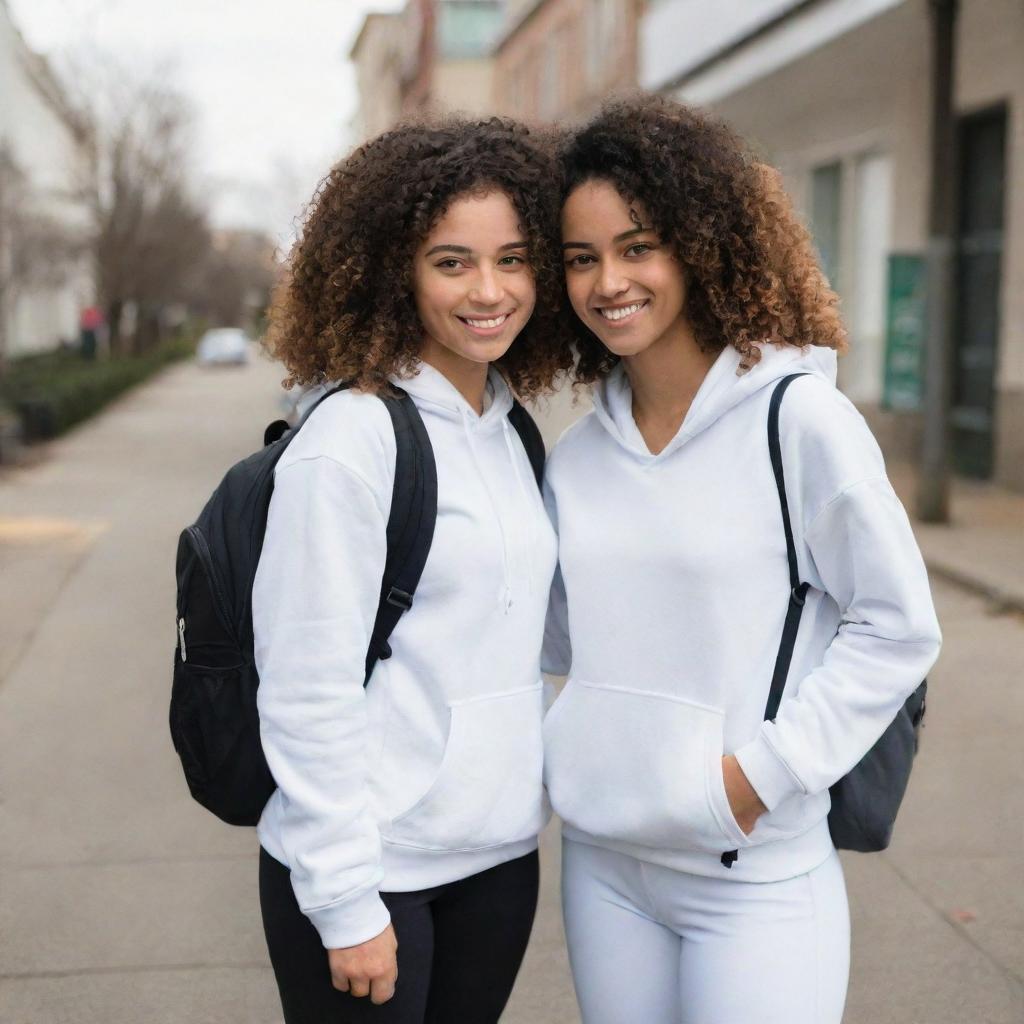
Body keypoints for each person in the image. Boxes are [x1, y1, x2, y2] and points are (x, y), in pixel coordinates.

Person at [542, 95, 942, 1024]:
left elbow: (898, 625)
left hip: (752, 876)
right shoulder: (579, 455)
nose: (609, 281)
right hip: (603, 865)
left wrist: (756, 781)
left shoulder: (796, 421)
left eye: (638, 247)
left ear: (699, 246)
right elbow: (556, 642)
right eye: (581, 257)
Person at [254, 116, 573, 1024]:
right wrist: (346, 899)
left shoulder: (511, 427)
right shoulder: (353, 441)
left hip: (499, 862)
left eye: (513, 259)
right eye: (452, 262)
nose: (490, 291)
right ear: (396, 271)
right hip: (374, 874)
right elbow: (305, 688)